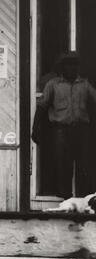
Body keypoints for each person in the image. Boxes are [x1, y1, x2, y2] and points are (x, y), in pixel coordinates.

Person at [37, 52, 96, 199]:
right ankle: (66, 199)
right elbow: (42, 107)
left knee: (84, 165)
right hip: (61, 131)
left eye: (74, 65)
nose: (71, 68)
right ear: (62, 67)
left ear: (78, 67)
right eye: (68, 65)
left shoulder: (85, 84)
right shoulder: (53, 84)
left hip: (82, 131)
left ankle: (83, 200)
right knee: (63, 165)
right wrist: (35, 128)